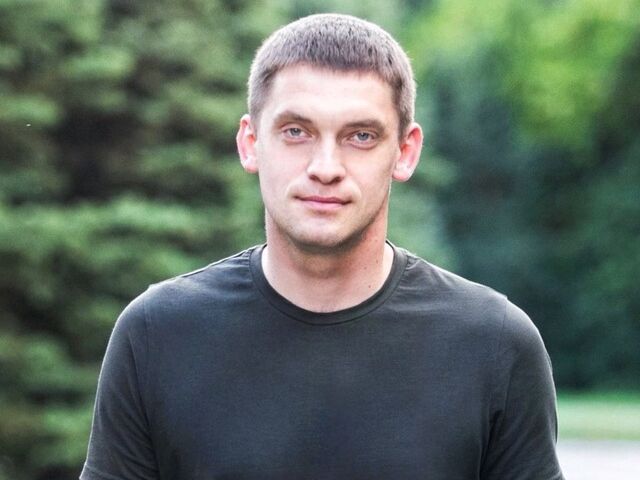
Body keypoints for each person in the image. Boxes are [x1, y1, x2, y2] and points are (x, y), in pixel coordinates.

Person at [81, 13, 564, 480]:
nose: (325, 167)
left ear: (405, 151)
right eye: (296, 131)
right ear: (250, 142)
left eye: (361, 136)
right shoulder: (157, 334)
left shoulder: (494, 344)